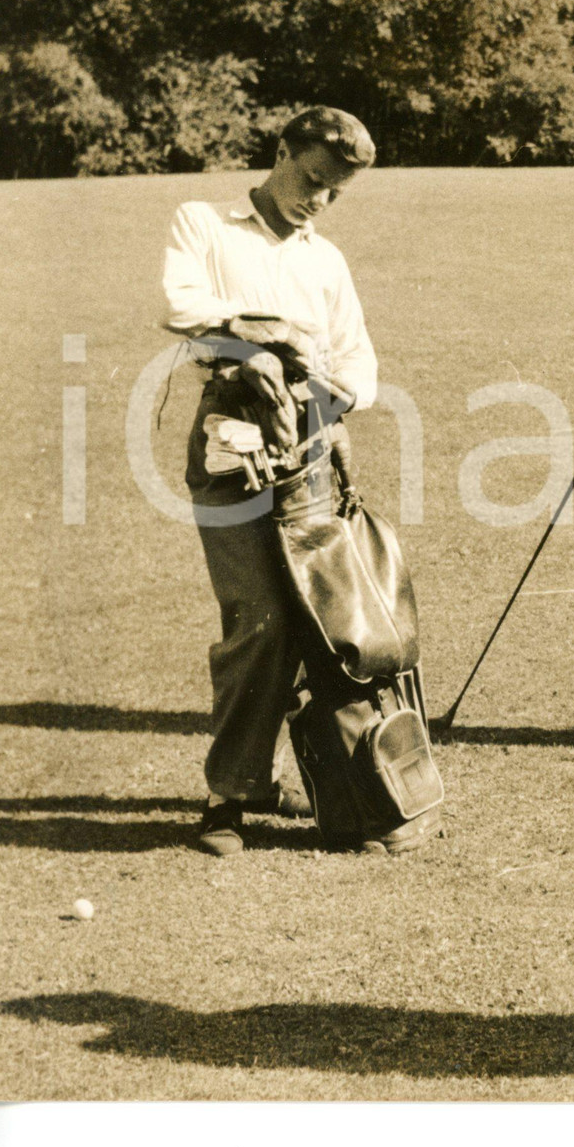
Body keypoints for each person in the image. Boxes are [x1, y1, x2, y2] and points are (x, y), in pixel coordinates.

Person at [162, 106, 378, 853]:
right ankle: (227, 797)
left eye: (335, 192)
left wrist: (315, 399)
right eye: (313, 178)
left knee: (315, 620)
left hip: (309, 448)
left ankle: (306, 779)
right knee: (257, 618)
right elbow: (182, 304)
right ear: (281, 150)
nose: (318, 200)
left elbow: (358, 365)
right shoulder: (204, 223)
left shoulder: (326, 261)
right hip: (228, 443)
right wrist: (265, 341)